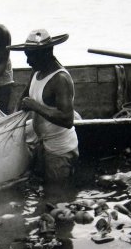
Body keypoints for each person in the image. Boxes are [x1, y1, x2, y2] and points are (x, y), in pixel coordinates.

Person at [8, 29, 79, 183]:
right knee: (41, 190)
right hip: (42, 143)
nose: (28, 62)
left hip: (60, 150)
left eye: (31, 57)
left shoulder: (60, 79)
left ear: (46, 53)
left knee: (57, 197)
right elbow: (24, 95)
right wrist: (13, 118)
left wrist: (35, 106)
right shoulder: (37, 71)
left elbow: (68, 119)